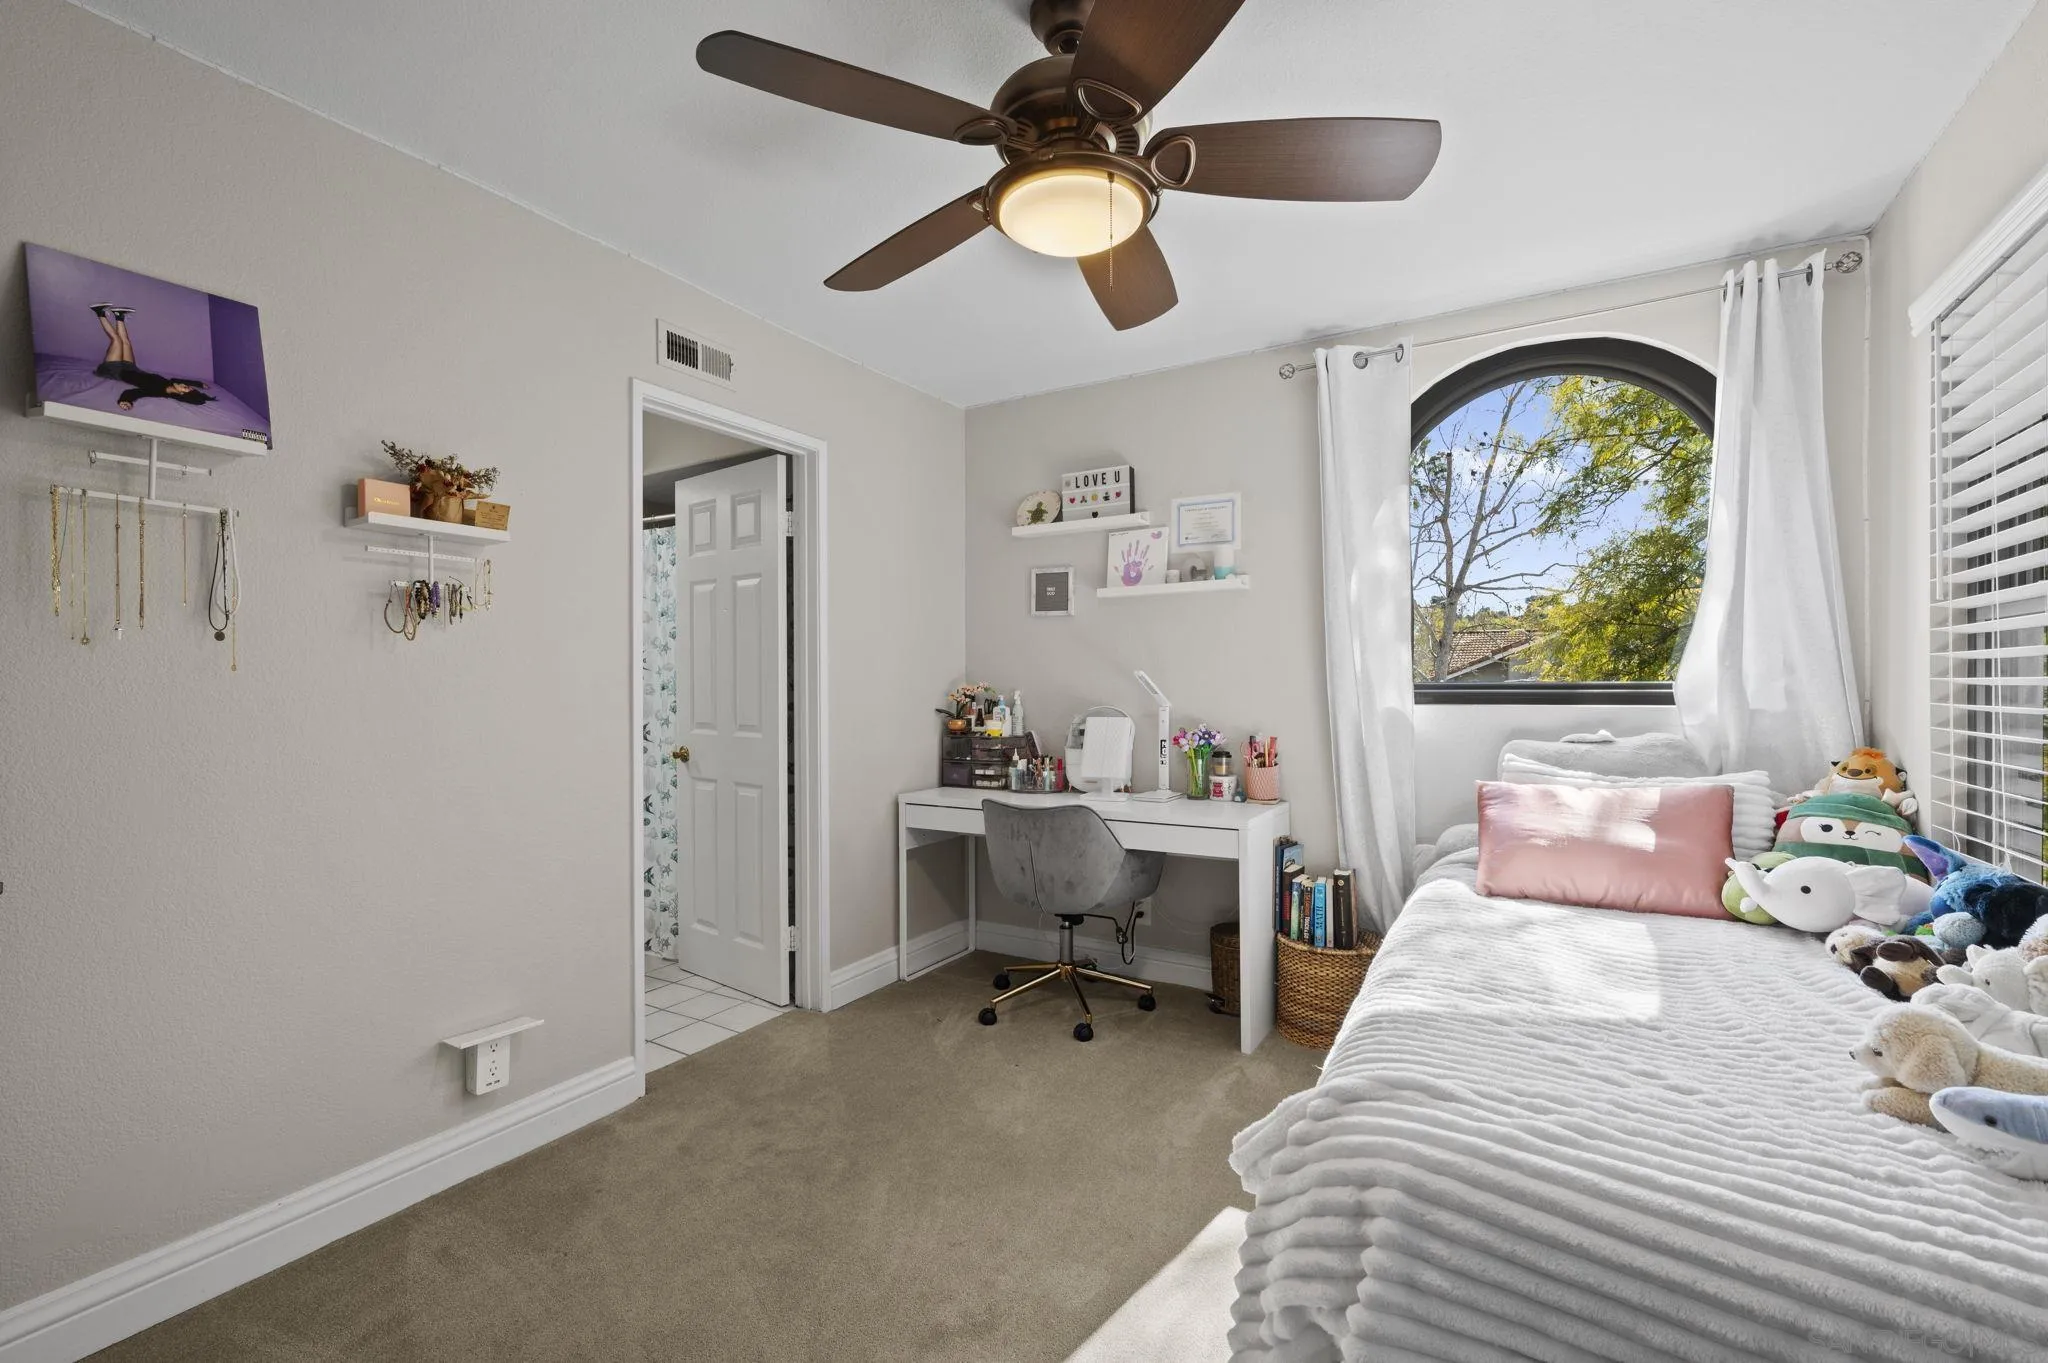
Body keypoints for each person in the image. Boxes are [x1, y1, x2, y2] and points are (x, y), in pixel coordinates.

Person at [89, 304, 215, 410]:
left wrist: (126, 401)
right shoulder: (170, 384)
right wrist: (199, 384)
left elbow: (134, 393)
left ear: (180, 393)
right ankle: (119, 316)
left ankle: (99, 312)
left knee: (116, 340)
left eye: (185, 387)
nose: (183, 384)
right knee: (126, 342)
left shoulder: (157, 391)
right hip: (131, 369)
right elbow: (178, 379)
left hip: (115, 371)